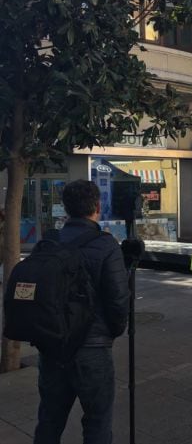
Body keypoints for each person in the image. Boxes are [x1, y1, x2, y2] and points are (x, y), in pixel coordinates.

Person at [34, 180, 129, 444]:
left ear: (66, 208)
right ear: (97, 207)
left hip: (53, 346)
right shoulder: (106, 245)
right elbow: (118, 300)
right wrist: (112, 332)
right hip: (93, 349)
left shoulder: (49, 241)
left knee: (49, 420)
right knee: (97, 422)